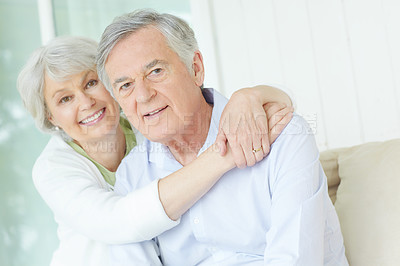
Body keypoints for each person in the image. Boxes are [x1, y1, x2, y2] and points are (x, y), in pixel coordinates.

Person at [97, 10, 348, 265]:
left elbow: (295, 259)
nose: (143, 95)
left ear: (196, 69)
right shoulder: (132, 176)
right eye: (125, 86)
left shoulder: (283, 134)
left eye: (156, 71)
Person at [17, 36, 293, 266]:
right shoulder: (52, 168)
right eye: (65, 99)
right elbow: (118, 222)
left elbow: (221, 112)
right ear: (51, 117)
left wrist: (253, 95)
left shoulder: (148, 121)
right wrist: (224, 155)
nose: (86, 102)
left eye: (91, 83)